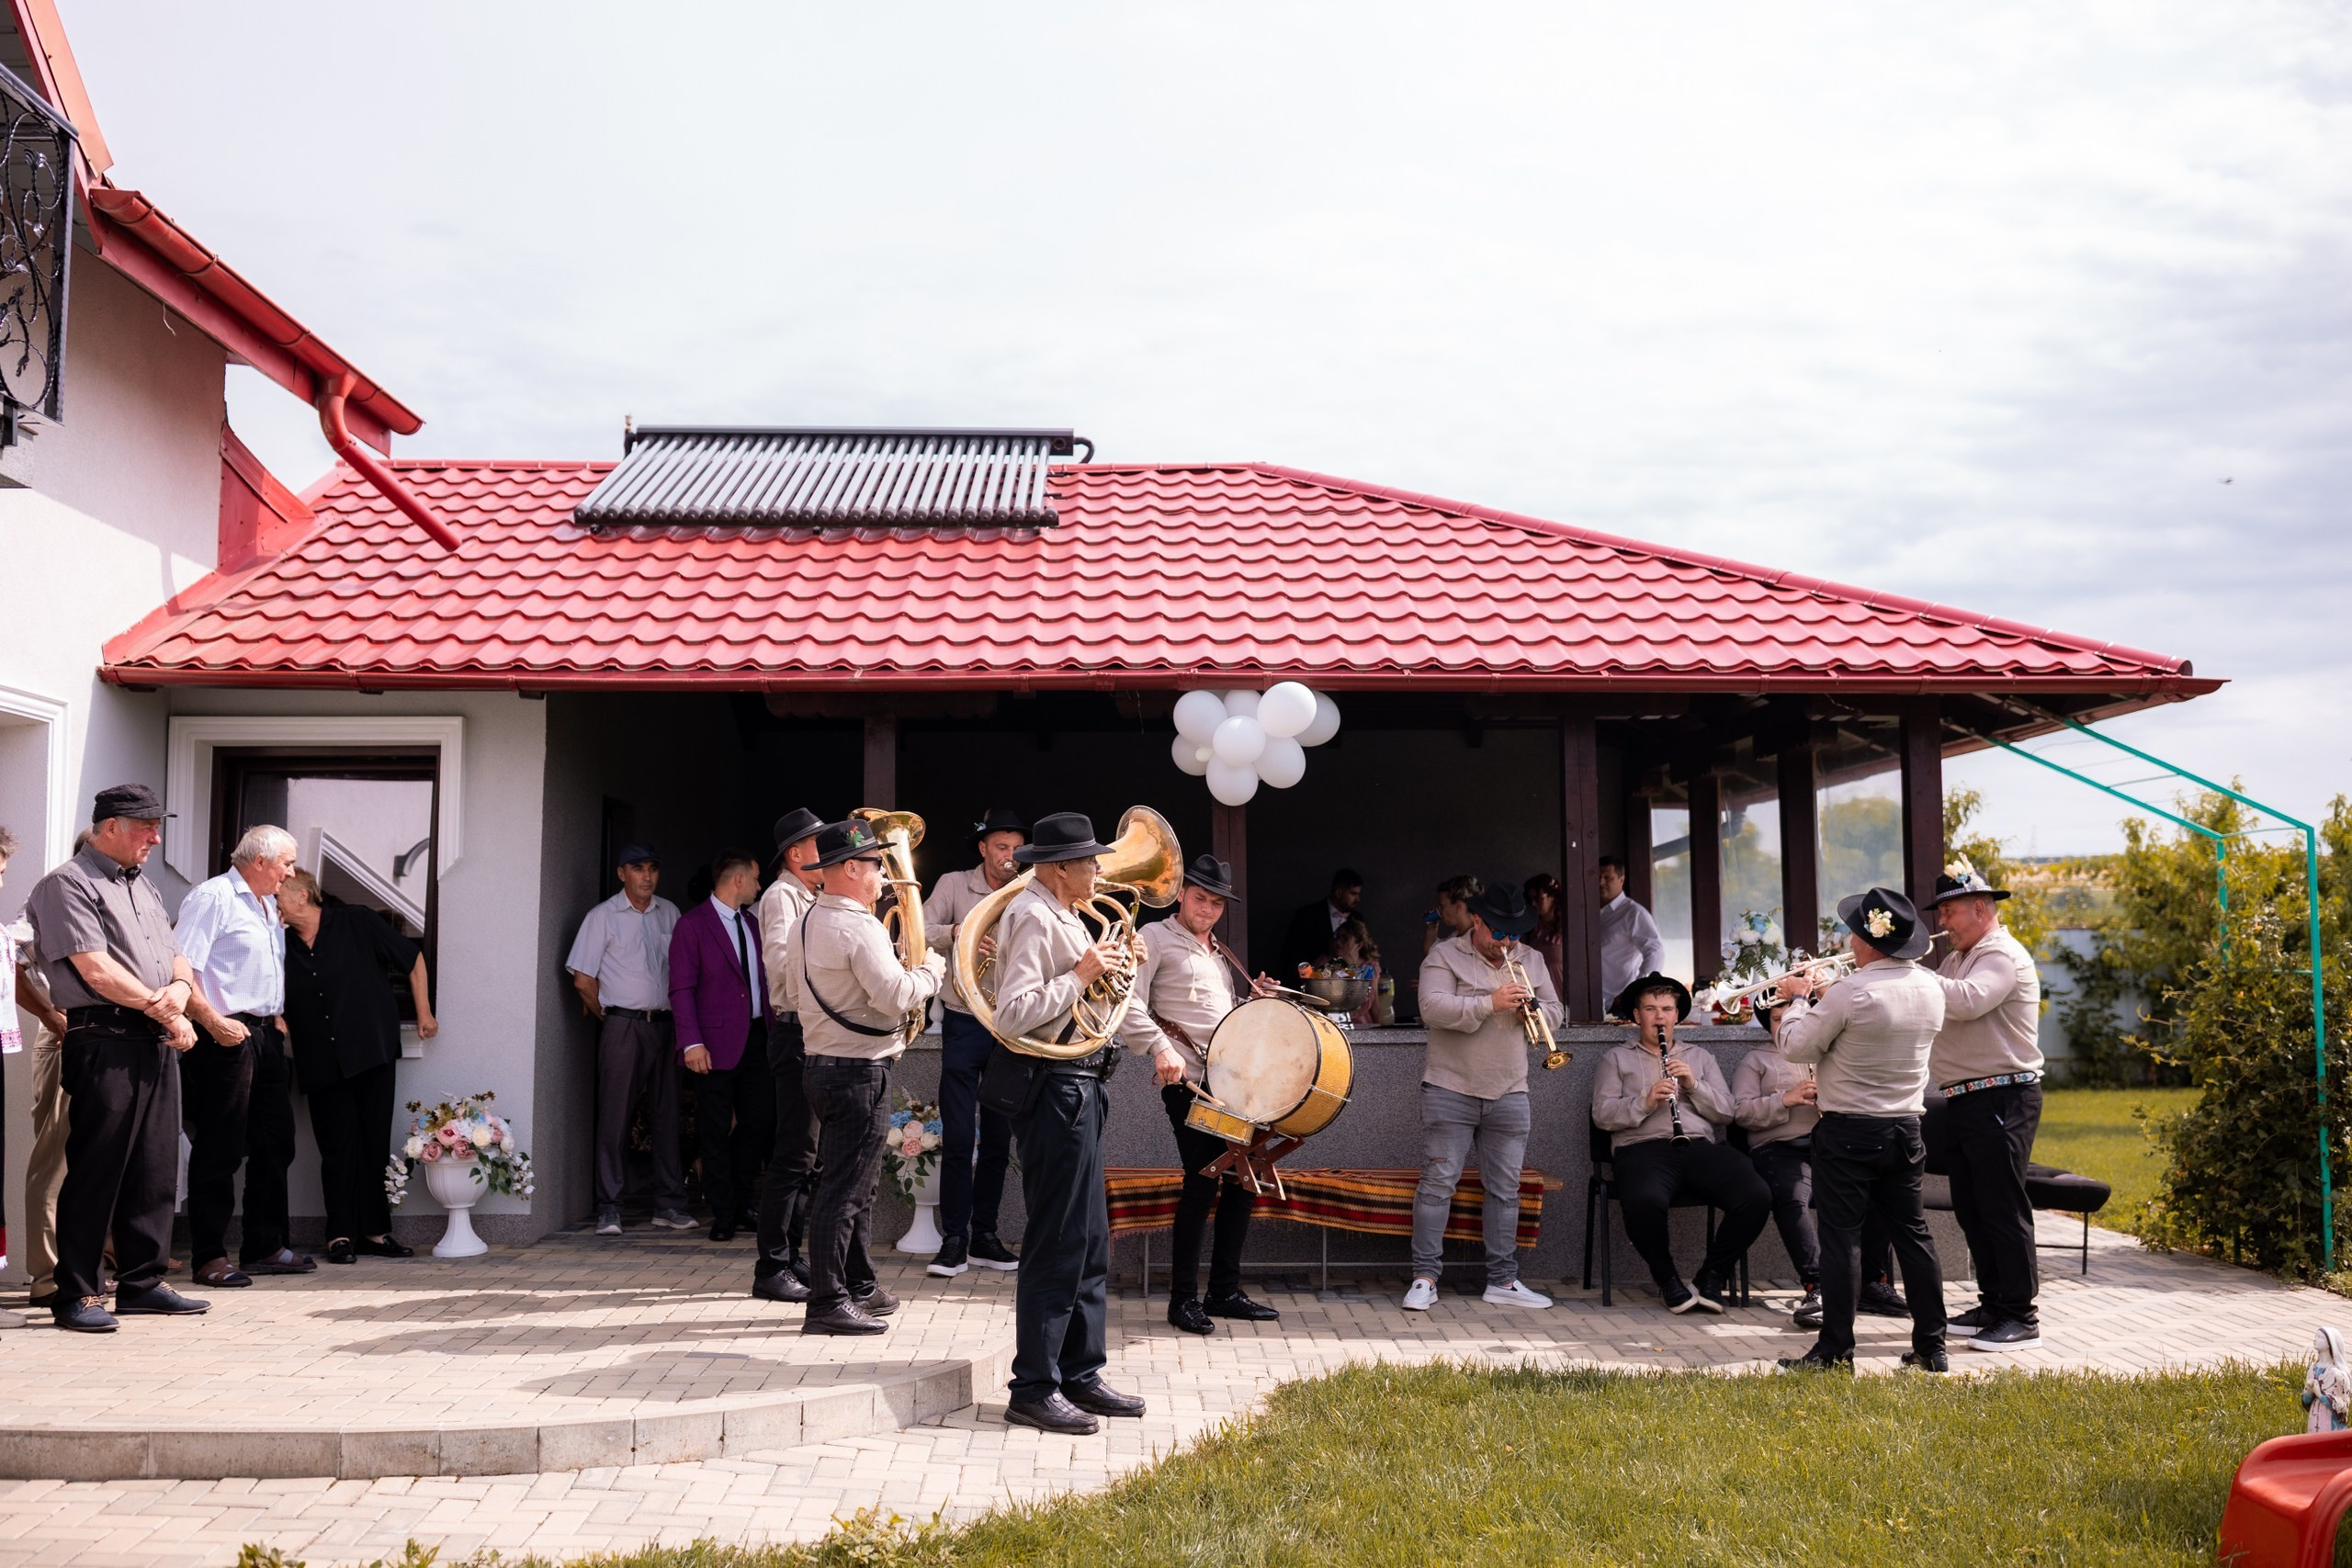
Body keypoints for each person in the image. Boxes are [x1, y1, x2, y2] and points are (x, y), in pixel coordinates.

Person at [25, 785, 209, 1332]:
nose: (156, 838)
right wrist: (165, 1008)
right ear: (109, 827)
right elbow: (95, 969)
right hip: (104, 1036)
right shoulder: (67, 883)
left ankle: (142, 1283)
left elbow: (176, 953)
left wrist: (180, 991)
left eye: (157, 826)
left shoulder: (142, 884)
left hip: (153, 1035)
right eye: (146, 827)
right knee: (97, 1168)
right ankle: (77, 1293)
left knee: (154, 1169)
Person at [992, 811, 1150, 1435]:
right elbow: (1013, 1014)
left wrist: (1117, 968)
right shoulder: (1033, 915)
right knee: (1057, 1240)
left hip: (1080, 1084)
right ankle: (1034, 1386)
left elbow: (1091, 1000)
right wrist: (1083, 973)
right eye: (1090, 862)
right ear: (1060, 869)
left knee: (1088, 1238)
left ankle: (1080, 1373)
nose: (1099, 871)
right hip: (1054, 1087)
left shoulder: (1062, 912)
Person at [1773, 886, 1950, 1374]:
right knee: (1913, 1236)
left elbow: (1796, 1047)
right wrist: (1825, 997)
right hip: (1906, 1127)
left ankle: (1835, 1351)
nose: (1849, 943)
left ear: (1869, 941)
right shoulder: (1931, 987)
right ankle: (1932, 1348)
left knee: (1841, 1240)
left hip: (1848, 1130)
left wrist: (1799, 1000)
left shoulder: (1850, 992)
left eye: (1853, 934)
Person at [789, 818, 944, 1335]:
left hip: (824, 1065)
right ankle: (827, 1302)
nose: (884, 875)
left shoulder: (806, 920)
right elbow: (897, 996)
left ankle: (858, 1285)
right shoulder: (859, 926)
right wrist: (932, 970)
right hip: (858, 1071)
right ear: (852, 869)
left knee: (856, 1184)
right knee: (845, 1191)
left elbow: (791, 992)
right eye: (877, 864)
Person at [1121, 853, 1279, 1336]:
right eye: (1200, 898)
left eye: (1216, 903)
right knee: (1203, 1180)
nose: (1207, 909)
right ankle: (1183, 1300)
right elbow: (1127, 1002)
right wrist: (1159, 1048)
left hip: (1231, 1084)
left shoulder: (1219, 952)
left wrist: (1251, 1002)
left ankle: (1224, 1292)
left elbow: (1219, 1019)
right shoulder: (1154, 937)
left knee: (1243, 1180)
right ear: (1182, 896)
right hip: (1189, 1083)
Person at [1406, 883, 1564, 1314]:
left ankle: (1503, 1281)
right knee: (1439, 1184)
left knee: (1506, 1190)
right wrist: (1489, 1004)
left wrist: (1535, 1011)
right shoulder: (1444, 955)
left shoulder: (1531, 959)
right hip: (1450, 1087)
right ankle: (1424, 1278)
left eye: (1514, 934)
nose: (1506, 943)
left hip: (1510, 1089)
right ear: (1477, 921)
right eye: (1499, 933)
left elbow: (1556, 1011)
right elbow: (1432, 1008)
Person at [174, 824, 312, 1287]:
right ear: (260, 861)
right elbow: (181, 967)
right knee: (221, 1147)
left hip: (265, 1036)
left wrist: (276, 1016)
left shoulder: (267, 904)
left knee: (276, 1143)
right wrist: (212, 1021)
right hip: (224, 1035)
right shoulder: (213, 897)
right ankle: (208, 1257)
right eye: (286, 863)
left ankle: (264, 1246)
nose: (290, 873)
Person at [279, 867, 433, 1264]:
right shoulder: (278, 943)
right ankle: (340, 1236)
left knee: (372, 1143)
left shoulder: (356, 921)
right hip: (320, 1058)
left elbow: (412, 958)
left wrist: (423, 1013)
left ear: (301, 895)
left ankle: (375, 1233)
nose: (272, 902)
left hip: (371, 1050)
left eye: (278, 894)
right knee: (336, 1149)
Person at [1592, 972, 1770, 1314]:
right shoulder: (1615, 1059)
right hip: (1641, 1149)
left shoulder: (1700, 1057)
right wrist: (1645, 1102)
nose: (1659, 1017)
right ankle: (1667, 1279)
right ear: (1637, 1015)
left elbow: (1727, 1112)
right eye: (1650, 1009)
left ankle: (1711, 1276)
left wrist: (1693, 1085)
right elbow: (1602, 1115)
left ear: (1677, 1016)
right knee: (1643, 1200)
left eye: (1666, 1009)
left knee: (1756, 1194)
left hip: (1698, 1147)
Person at [1926, 859, 2046, 1353]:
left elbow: (1967, 1001)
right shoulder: (1960, 958)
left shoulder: (2001, 954)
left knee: (2001, 1206)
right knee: (1973, 1208)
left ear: (1980, 908)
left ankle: (2021, 1315)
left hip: (2002, 1095)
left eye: (1949, 911)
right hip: (1967, 1098)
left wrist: (1903, 974)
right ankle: (1994, 1303)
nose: (1942, 923)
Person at [918, 807, 1025, 1279]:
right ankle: (954, 1240)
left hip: (1009, 1027)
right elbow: (918, 930)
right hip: (963, 1022)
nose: (1009, 856)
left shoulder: (1030, 890)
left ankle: (984, 1237)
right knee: (960, 1137)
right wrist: (961, 933)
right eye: (1001, 847)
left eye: (1017, 848)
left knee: (999, 1141)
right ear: (983, 848)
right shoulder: (953, 884)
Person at [566, 841, 690, 1236]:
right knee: (615, 1116)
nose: (647, 876)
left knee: (667, 1115)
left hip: (666, 1024)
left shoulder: (669, 912)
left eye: (652, 868)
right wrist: (610, 1016)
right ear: (622, 874)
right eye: (638, 869)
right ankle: (610, 1207)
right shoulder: (602, 917)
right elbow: (583, 979)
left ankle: (668, 1204)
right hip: (622, 1024)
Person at [670, 850, 775, 1242]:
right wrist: (691, 1042)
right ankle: (724, 1212)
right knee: (713, 1130)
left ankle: (743, 1201)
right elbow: (681, 989)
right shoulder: (692, 925)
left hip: (758, 1039)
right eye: (756, 878)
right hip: (711, 1045)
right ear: (738, 880)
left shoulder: (753, 923)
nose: (760, 886)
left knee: (760, 1123)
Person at [752, 807, 825, 1303]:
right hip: (795, 1029)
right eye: (818, 845)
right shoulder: (782, 895)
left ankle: (790, 1256)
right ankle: (772, 1267)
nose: (827, 853)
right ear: (795, 854)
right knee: (793, 1155)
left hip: (809, 1031)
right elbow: (780, 966)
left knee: (808, 1157)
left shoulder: (809, 895)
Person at [1735, 998, 1823, 1329]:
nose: (1787, 1026)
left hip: (1827, 1145)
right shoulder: (1755, 1060)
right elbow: (1740, 1112)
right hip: (1779, 1147)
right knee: (1792, 1198)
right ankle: (1818, 1285)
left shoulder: (1825, 1054)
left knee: (1874, 1190)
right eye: (1777, 1019)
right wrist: (1785, 1100)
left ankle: (1872, 1281)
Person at [19, 829, 79, 1311]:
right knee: (55, 1157)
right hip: (65, 1031)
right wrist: (49, 1014)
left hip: (112, 1036)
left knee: (96, 1156)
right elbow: (12, 961)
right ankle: (48, 1277)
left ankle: (88, 1265)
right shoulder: (52, 895)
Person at [1597, 856, 1667, 1012]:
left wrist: (1639, 988)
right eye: (1598, 877)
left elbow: (1655, 951)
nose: (1601, 882)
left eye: (1607, 878)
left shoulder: (1633, 913)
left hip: (1619, 1002)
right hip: (1590, 1000)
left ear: (1621, 880)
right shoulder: (1590, 911)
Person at [1281, 868, 1364, 975]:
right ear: (1339, 893)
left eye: (1358, 894)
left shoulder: (1357, 918)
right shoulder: (1308, 914)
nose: (1358, 899)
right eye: (1353, 894)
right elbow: (1292, 954)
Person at [1323, 916, 1382, 1027]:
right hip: (1333, 1024)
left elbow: (1376, 1005)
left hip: (1363, 1026)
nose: (1338, 942)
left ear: (1359, 945)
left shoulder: (1370, 967)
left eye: (1345, 939)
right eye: (1337, 937)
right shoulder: (1327, 962)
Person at [1522, 873, 1567, 998]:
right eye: (1530, 899)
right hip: (1538, 1000)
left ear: (1552, 896)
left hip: (1564, 998)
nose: (1533, 903)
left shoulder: (1569, 928)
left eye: (1538, 898)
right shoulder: (1530, 929)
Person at [1420, 874, 1480, 957]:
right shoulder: (1457, 936)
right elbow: (1432, 955)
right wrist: (1432, 927)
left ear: (1459, 907)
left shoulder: (1480, 938)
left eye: (1442, 906)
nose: (1439, 911)